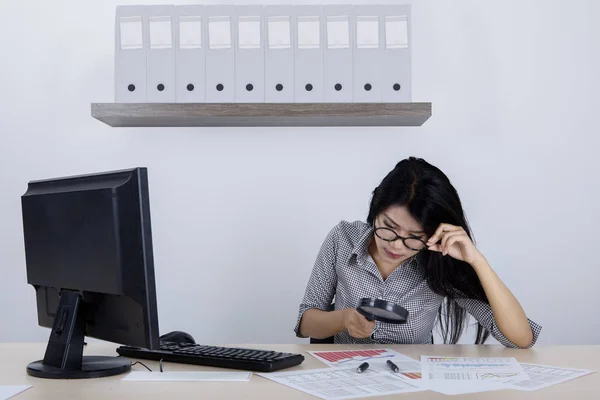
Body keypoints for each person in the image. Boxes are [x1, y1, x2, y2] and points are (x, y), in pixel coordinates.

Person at [294, 157, 541, 348]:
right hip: (345, 377)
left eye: (414, 237)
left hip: (412, 382)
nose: (396, 245)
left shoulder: (439, 261)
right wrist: (344, 319)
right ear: (375, 209)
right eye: (389, 228)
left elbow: (521, 339)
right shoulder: (343, 238)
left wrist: (477, 261)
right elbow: (306, 323)